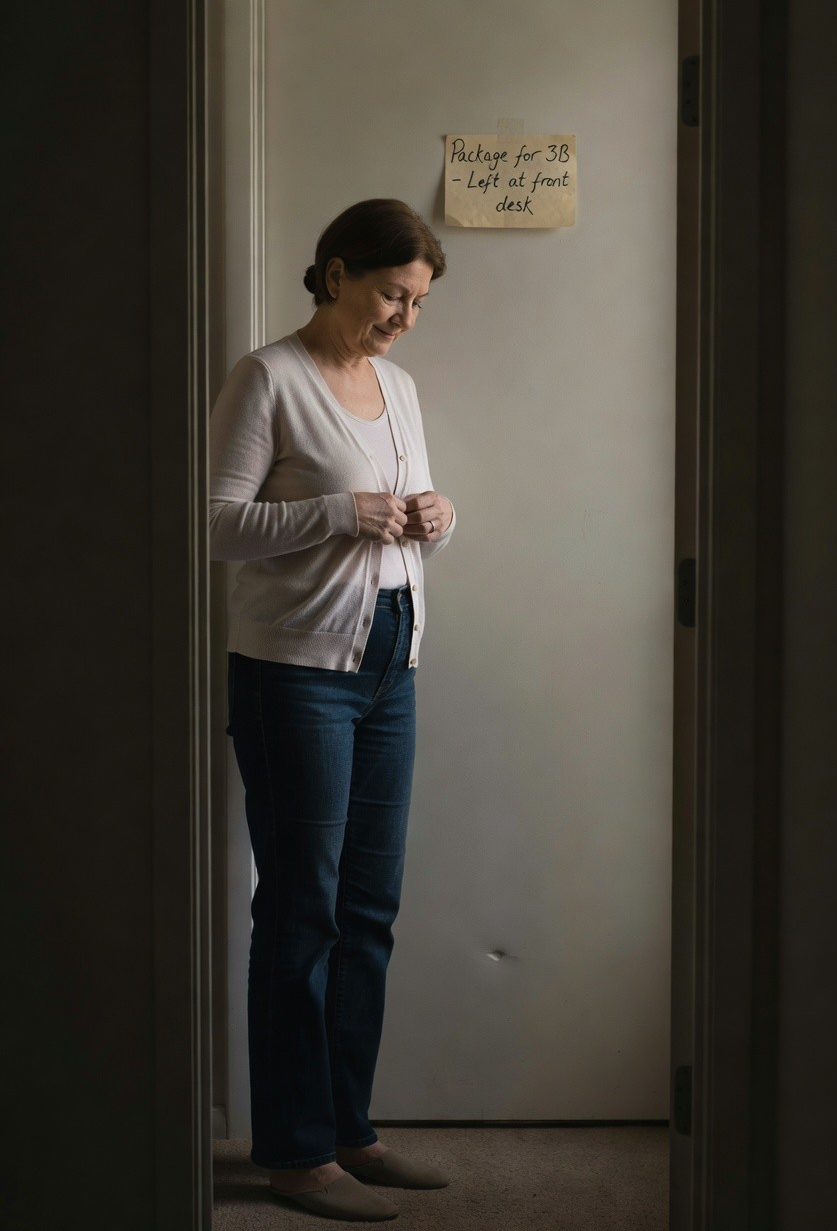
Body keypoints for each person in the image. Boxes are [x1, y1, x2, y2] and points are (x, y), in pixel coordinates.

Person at [209, 199, 455, 1221]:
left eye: (418, 302)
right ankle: (293, 1151)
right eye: (394, 294)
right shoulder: (267, 377)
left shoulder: (396, 386)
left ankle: (350, 1131)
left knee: (368, 913)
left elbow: (410, 519)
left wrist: (438, 520)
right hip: (295, 675)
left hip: (391, 666)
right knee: (302, 912)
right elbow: (219, 526)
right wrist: (337, 513)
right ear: (338, 272)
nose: (404, 317)